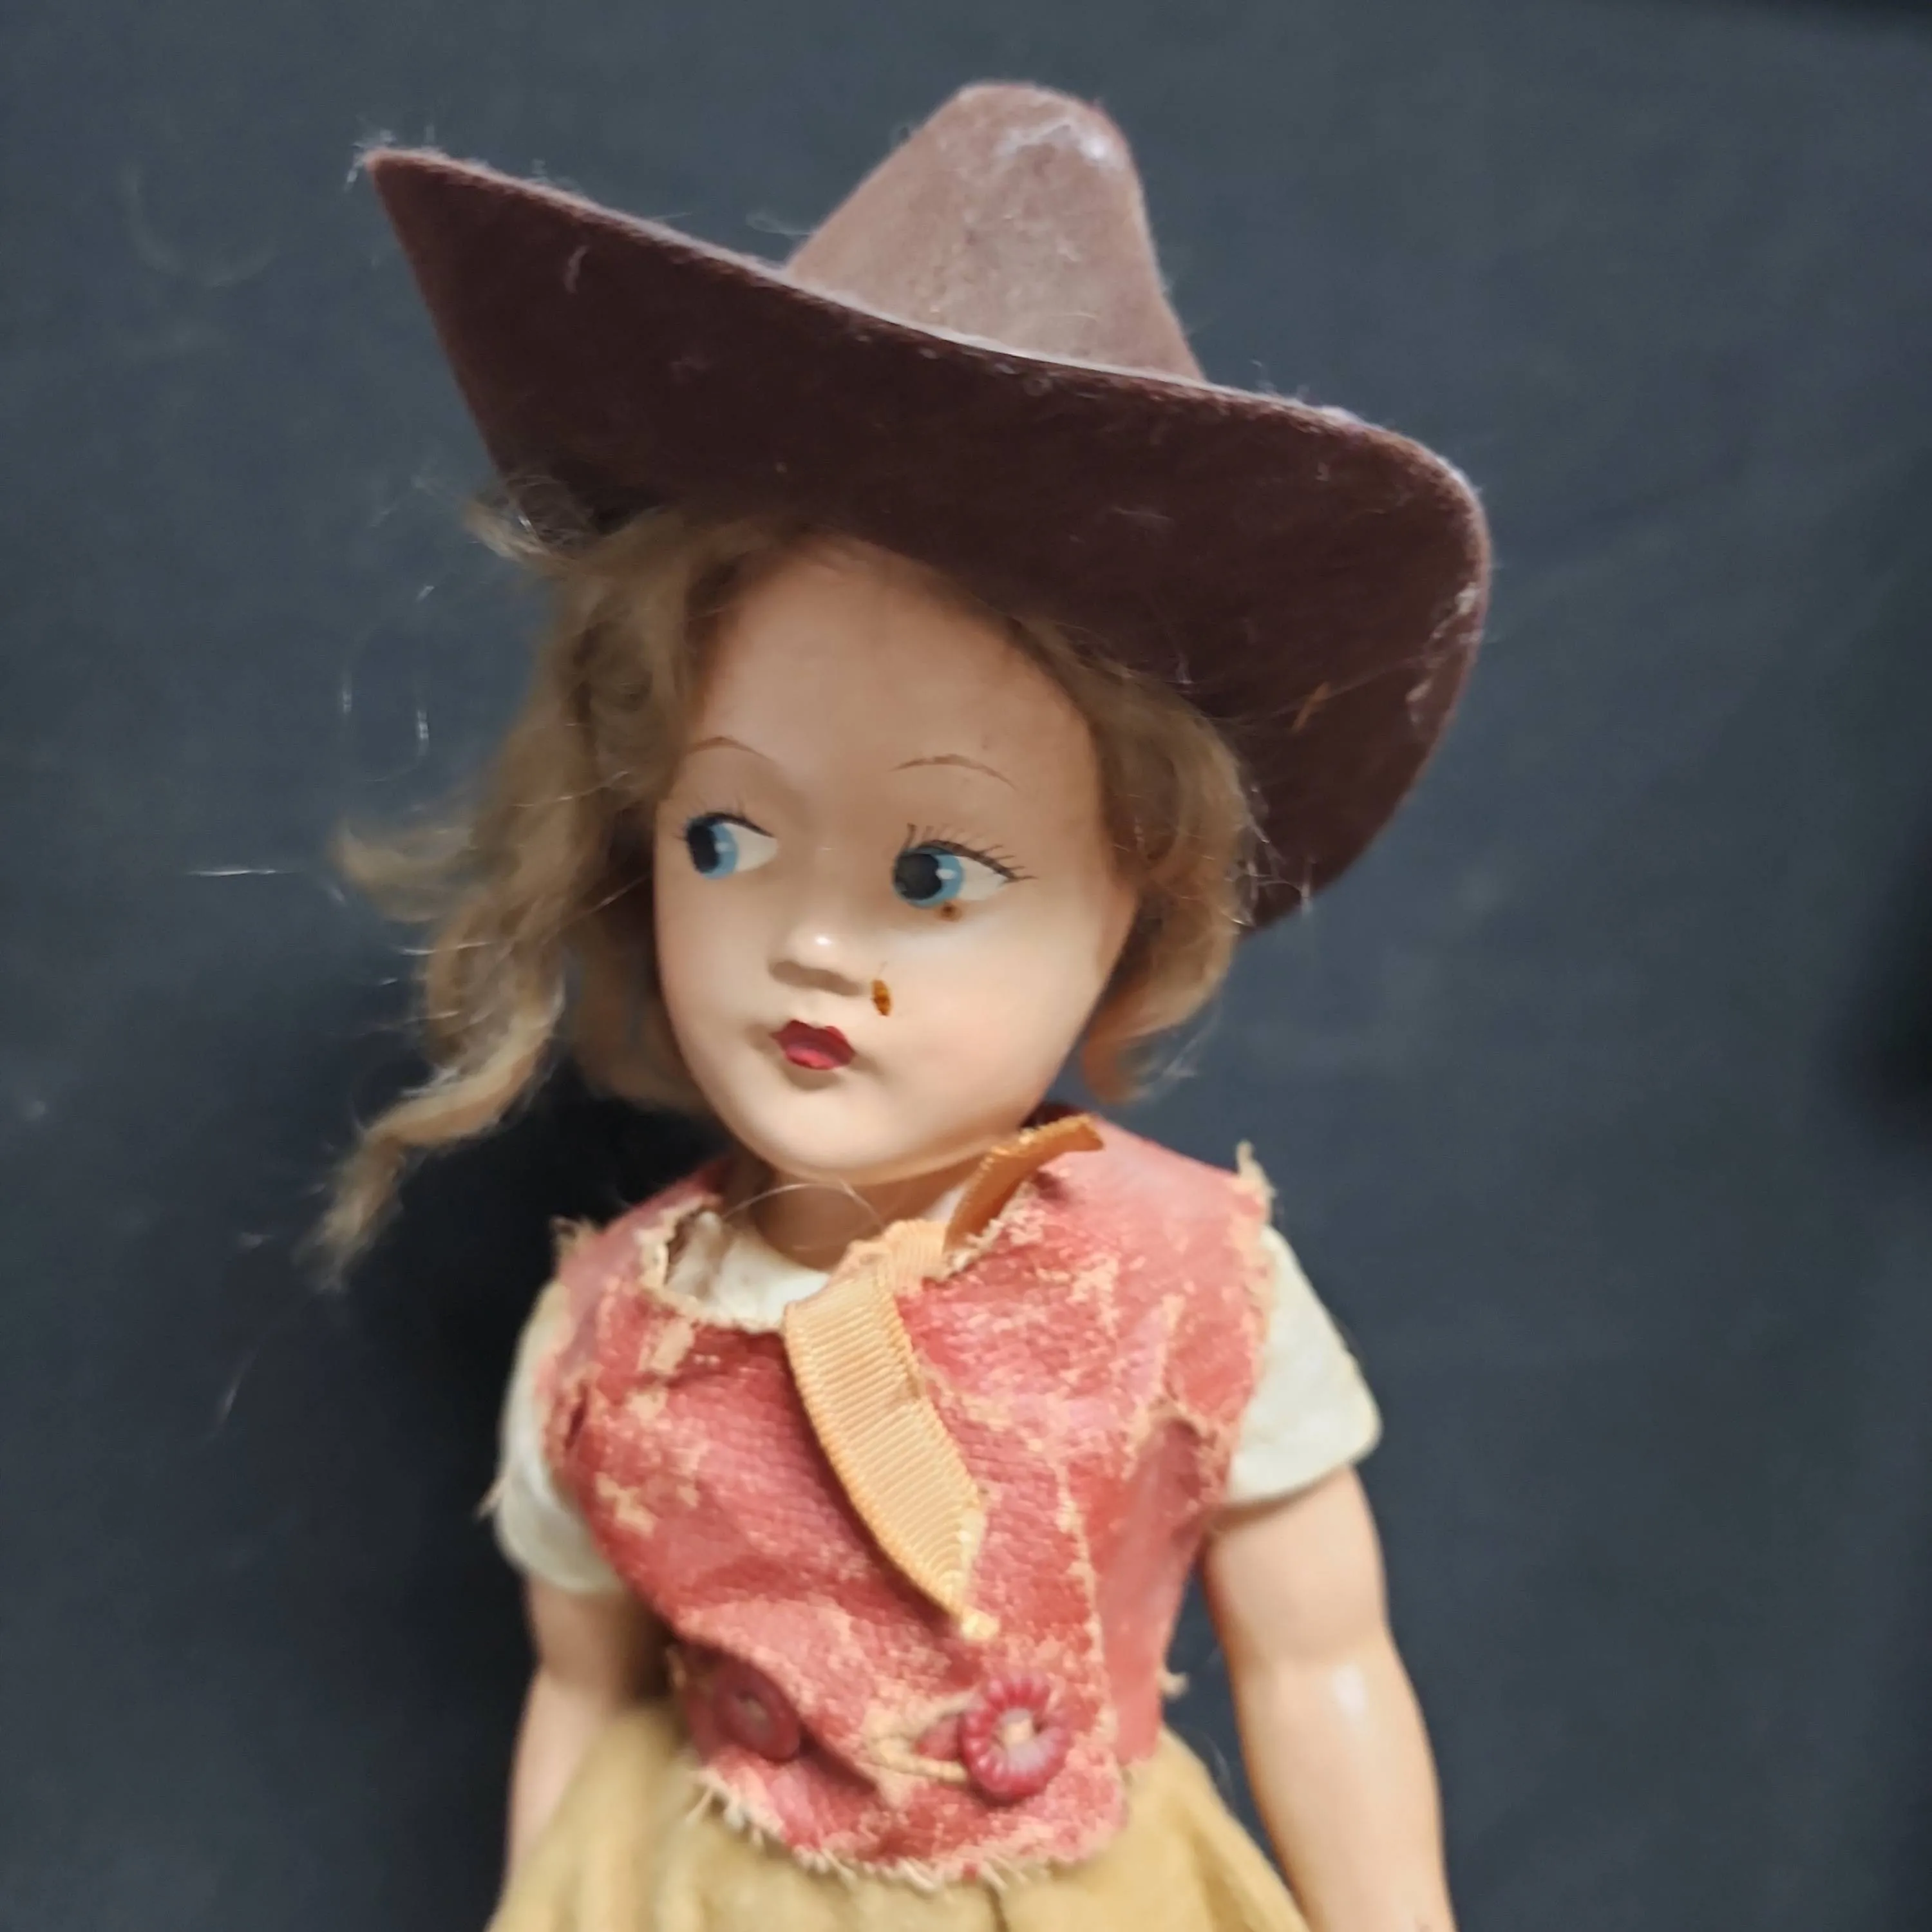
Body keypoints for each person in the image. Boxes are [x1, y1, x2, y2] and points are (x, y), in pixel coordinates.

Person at [337, 80, 1489, 1932]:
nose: (810, 944)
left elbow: (1323, 1668)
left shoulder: (1191, 1290)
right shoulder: (615, 1326)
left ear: (1133, 901)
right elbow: (581, 1693)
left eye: (937, 874)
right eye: (727, 838)